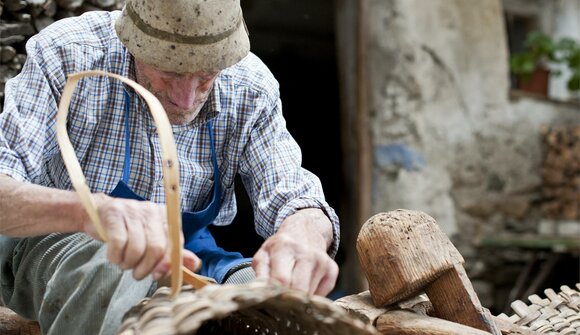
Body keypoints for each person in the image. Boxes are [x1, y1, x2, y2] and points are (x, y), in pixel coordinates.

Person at [0, 1, 340, 334]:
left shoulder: (249, 86)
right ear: (132, 44)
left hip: (187, 255)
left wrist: (303, 235)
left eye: (206, 77)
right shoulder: (68, 52)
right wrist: (92, 212)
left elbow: (296, 196)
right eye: (169, 74)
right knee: (111, 266)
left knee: (268, 298)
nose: (187, 100)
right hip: (61, 247)